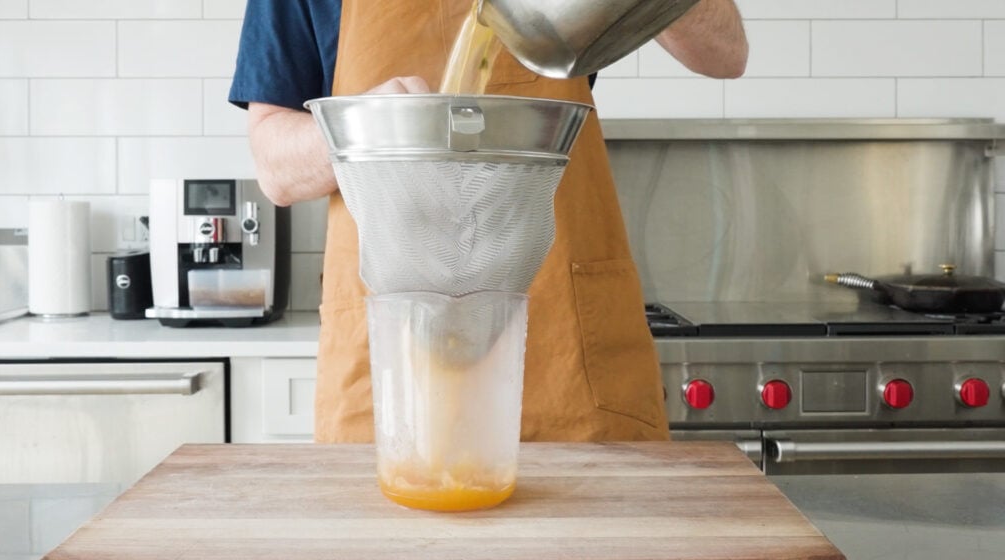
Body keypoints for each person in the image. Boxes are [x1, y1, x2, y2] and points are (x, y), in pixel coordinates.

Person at [229, 0, 748, 443]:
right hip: (392, 356)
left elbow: (724, 54)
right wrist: (369, 130)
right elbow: (276, 167)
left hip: (564, 351)